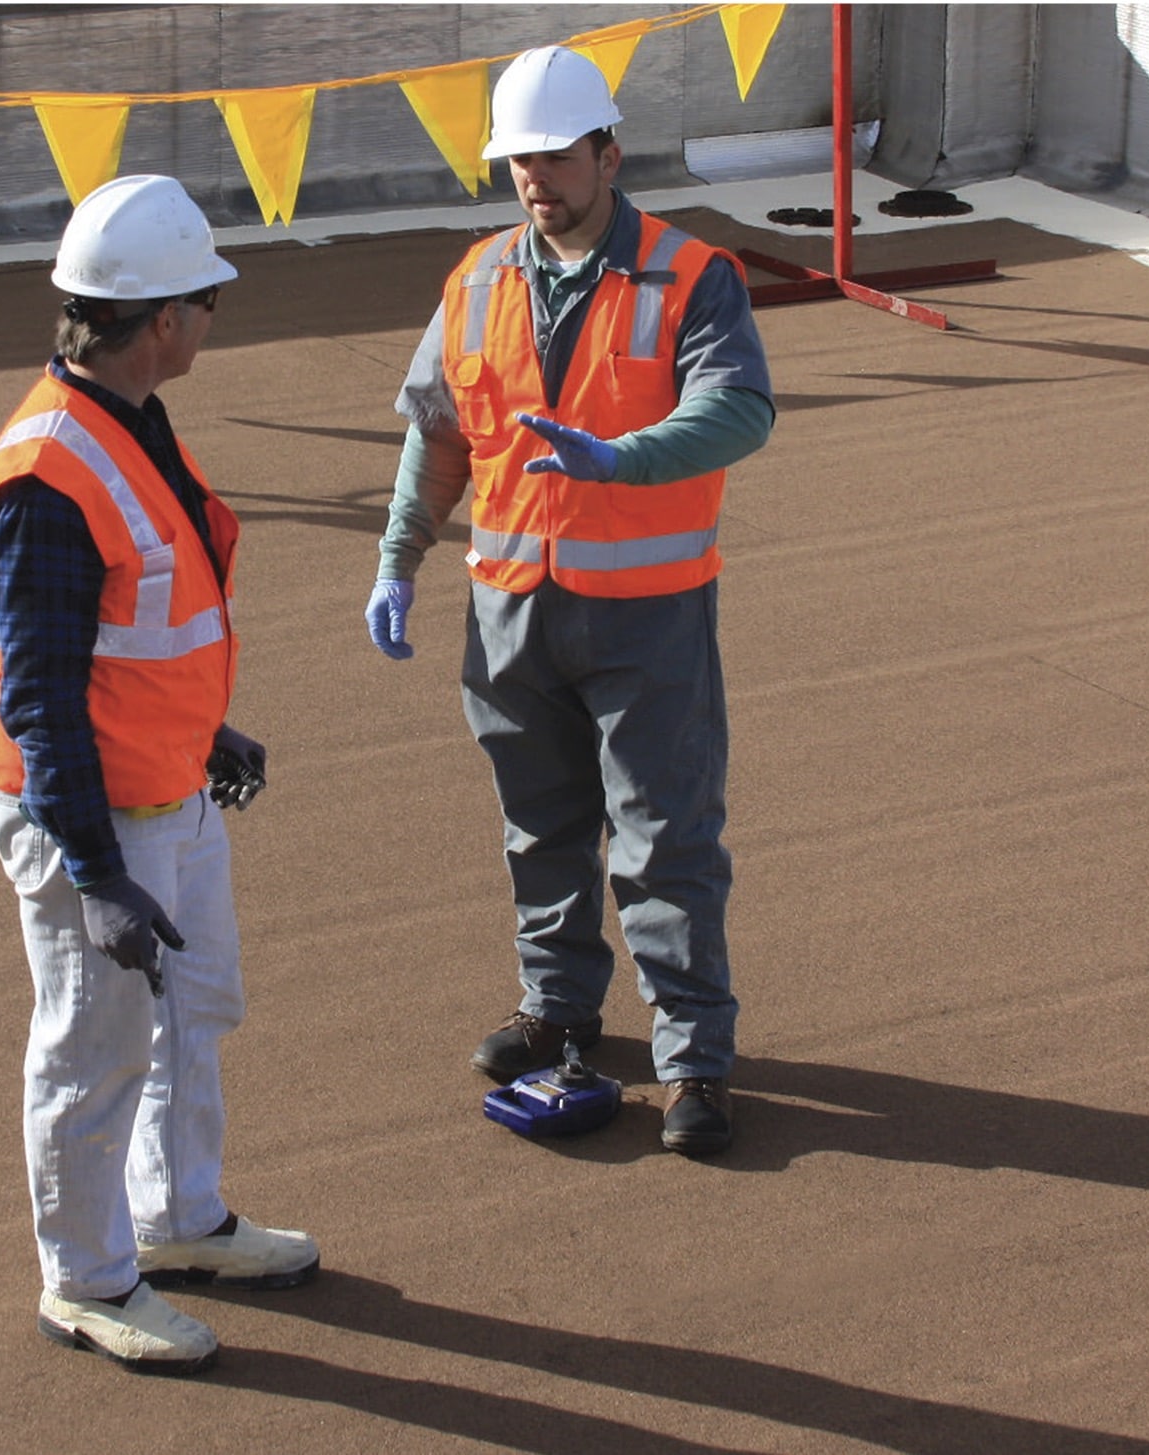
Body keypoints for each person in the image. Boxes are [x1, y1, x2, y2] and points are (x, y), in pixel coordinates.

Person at [362, 47, 775, 1156]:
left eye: (553, 155)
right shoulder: (477, 278)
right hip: (508, 612)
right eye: (516, 160)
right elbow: (438, 432)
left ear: (608, 151)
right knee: (539, 828)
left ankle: (694, 1059)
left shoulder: (693, 277)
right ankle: (556, 1009)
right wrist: (399, 559)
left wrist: (621, 458)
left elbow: (739, 412)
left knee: (663, 840)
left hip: (645, 612)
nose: (534, 177)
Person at [0, 173, 316, 1376]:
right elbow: (41, 699)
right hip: (87, 814)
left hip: (162, 783)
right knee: (95, 1042)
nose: (211, 320)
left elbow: (130, 627)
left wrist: (204, 731)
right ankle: (86, 1278)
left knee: (193, 1008)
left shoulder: (127, 419)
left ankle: (177, 1220)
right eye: (204, 302)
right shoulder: (47, 475)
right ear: (160, 319)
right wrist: (95, 874)